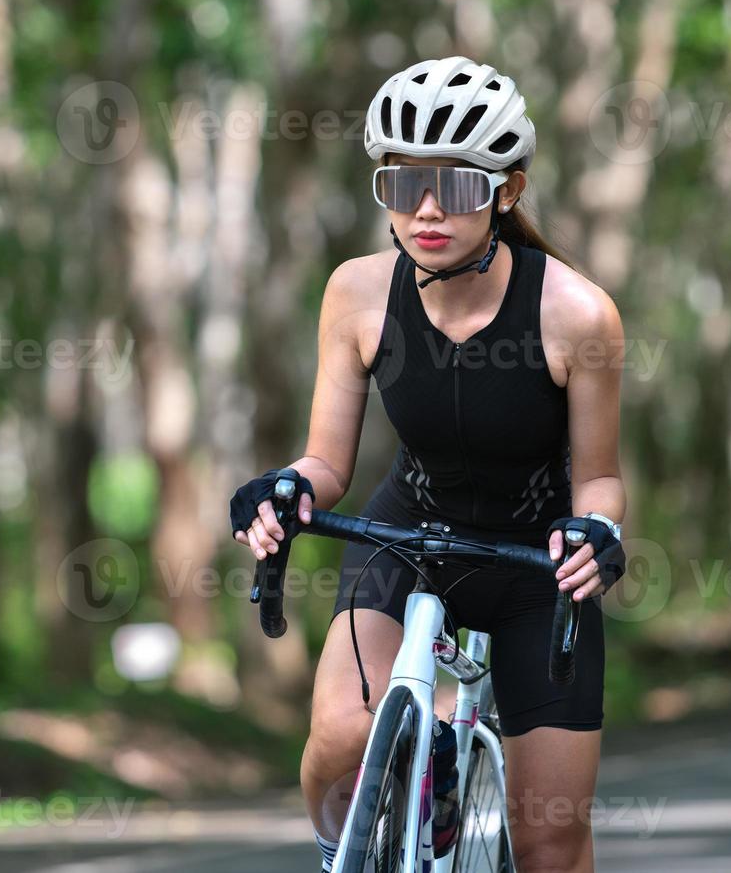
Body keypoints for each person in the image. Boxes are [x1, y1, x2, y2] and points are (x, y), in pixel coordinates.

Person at [229, 55, 628, 872]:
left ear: (506, 192)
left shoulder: (578, 312)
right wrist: (286, 490)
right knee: (341, 737)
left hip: (535, 562)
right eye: (402, 184)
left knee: (551, 838)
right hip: (407, 535)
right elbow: (325, 461)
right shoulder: (357, 293)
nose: (425, 210)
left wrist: (598, 531)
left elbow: (599, 478)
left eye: (456, 187)